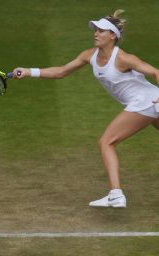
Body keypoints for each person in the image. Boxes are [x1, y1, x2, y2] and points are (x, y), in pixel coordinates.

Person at [13, 9, 159, 208]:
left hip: (146, 101)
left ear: (113, 36)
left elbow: (155, 72)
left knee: (106, 142)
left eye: (101, 31)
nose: (96, 33)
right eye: (95, 30)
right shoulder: (89, 55)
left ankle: (116, 195)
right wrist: (30, 71)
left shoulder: (124, 58)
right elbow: (61, 72)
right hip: (149, 103)